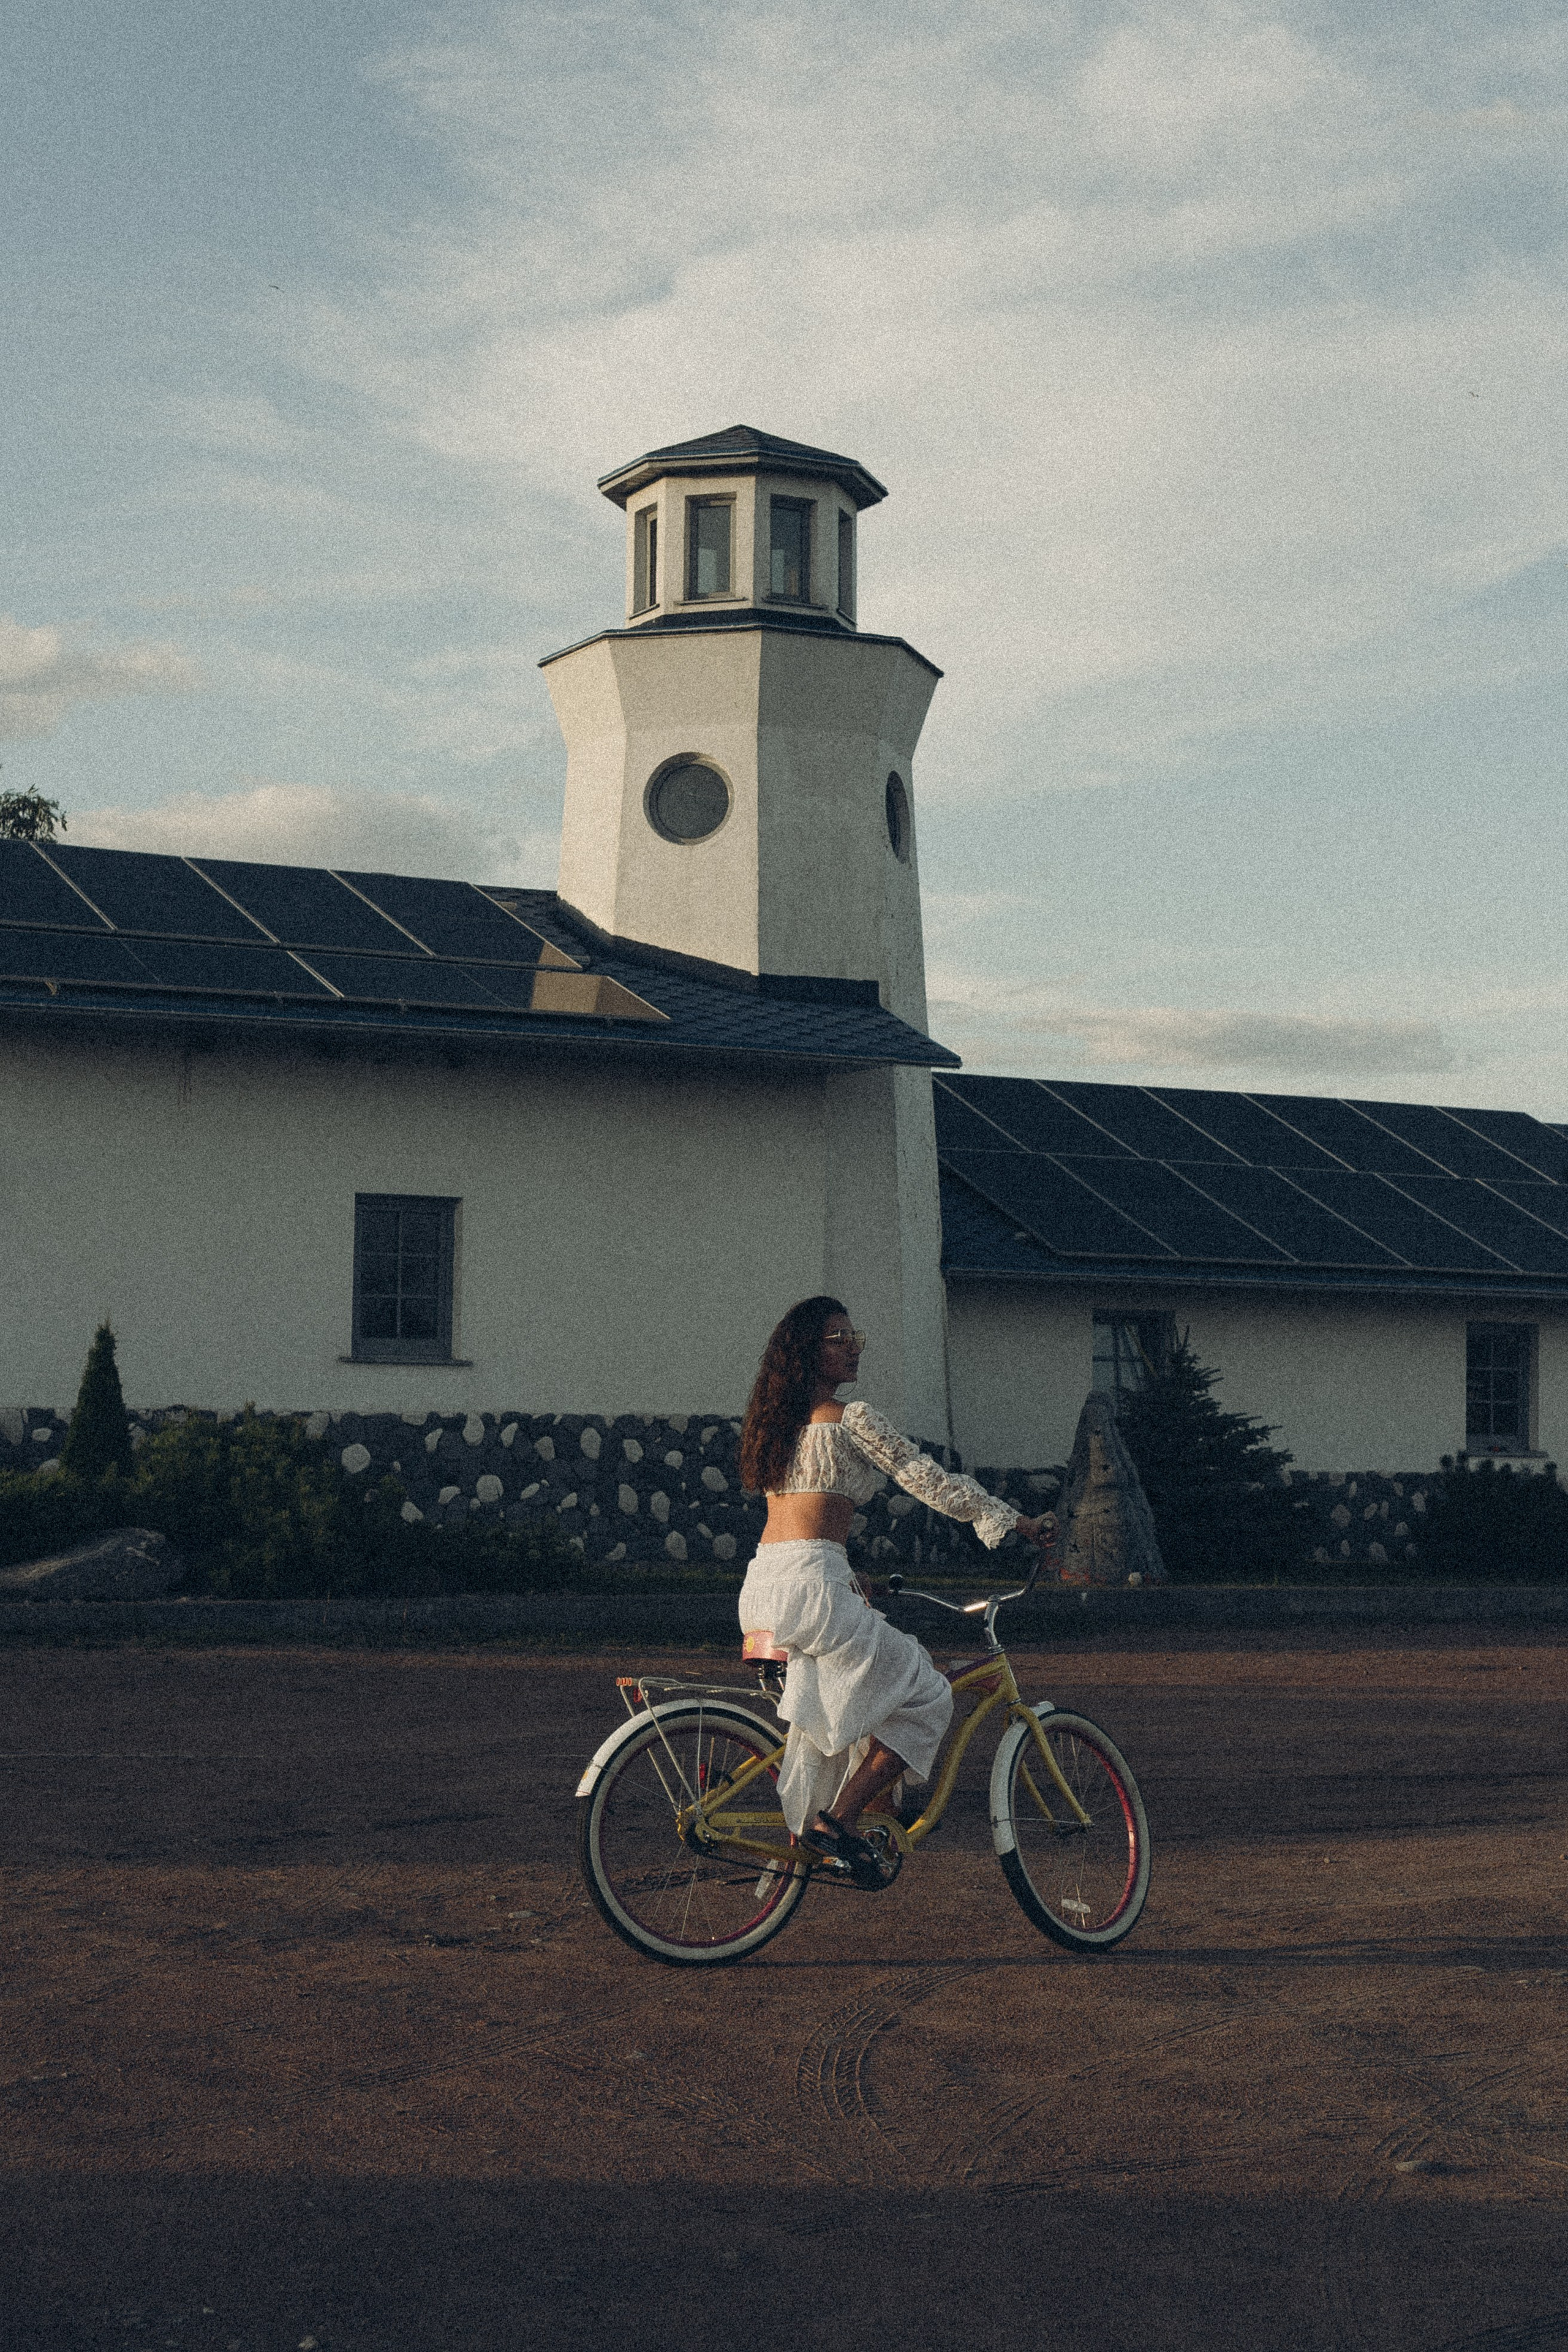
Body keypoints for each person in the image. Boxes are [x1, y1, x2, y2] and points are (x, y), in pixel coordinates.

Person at [736, 1295, 1055, 1890]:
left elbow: (800, 1522)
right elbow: (927, 1480)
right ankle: (838, 1822)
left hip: (764, 1586)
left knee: (873, 1695)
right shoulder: (851, 1418)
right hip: (813, 1586)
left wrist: (848, 1574)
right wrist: (1015, 1522)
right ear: (808, 1350)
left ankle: (856, 1825)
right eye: (837, 1336)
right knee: (931, 1695)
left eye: (854, 1334)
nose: (853, 1345)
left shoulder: (777, 1428)